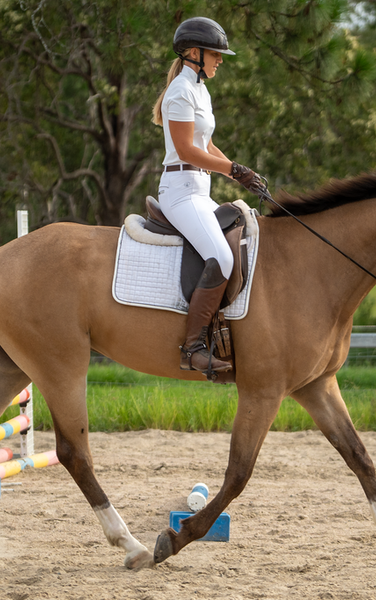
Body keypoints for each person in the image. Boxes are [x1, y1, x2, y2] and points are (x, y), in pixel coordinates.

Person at [152, 16, 267, 376]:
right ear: (193, 53)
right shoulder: (180, 91)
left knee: (240, 242)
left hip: (200, 190)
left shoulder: (200, 90)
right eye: (216, 53)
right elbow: (186, 150)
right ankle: (194, 347)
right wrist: (231, 169)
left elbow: (207, 144)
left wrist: (240, 172)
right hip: (179, 191)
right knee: (220, 255)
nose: (220, 60)